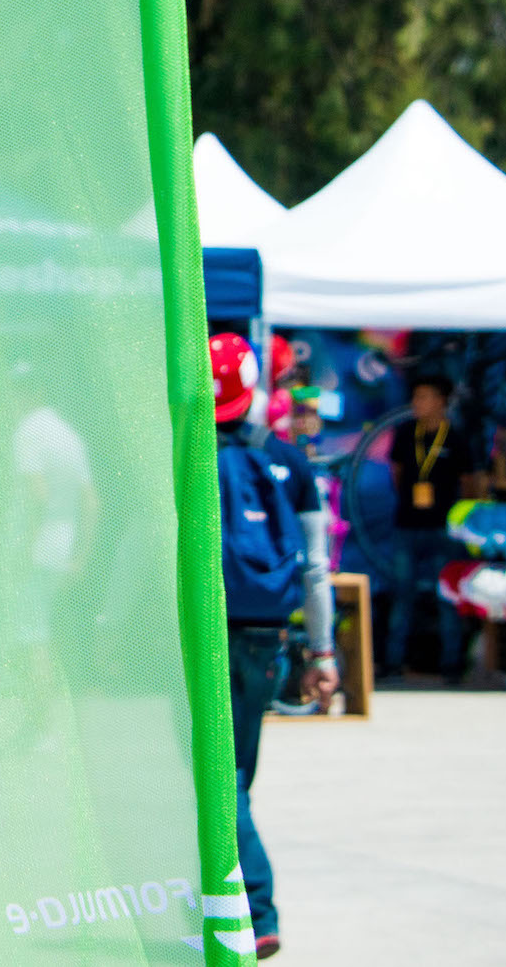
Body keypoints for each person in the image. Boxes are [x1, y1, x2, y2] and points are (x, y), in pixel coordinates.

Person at [210, 334, 337, 963]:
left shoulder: (186, 457)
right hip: (267, 638)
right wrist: (324, 654)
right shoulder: (290, 463)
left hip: (204, 635)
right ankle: (235, 902)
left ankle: (253, 908)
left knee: (220, 778)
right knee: (236, 777)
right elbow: (315, 570)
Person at [380, 372, 479, 681]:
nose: (417, 404)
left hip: (443, 528)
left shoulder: (456, 438)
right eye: (415, 397)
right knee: (402, 595)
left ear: (441, 402)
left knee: (446, 597)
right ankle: (393, 662)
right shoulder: (406, 433)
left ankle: (451, 664)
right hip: (407, 524)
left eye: (424, 397)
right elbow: (396, 474)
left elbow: (468, 483)